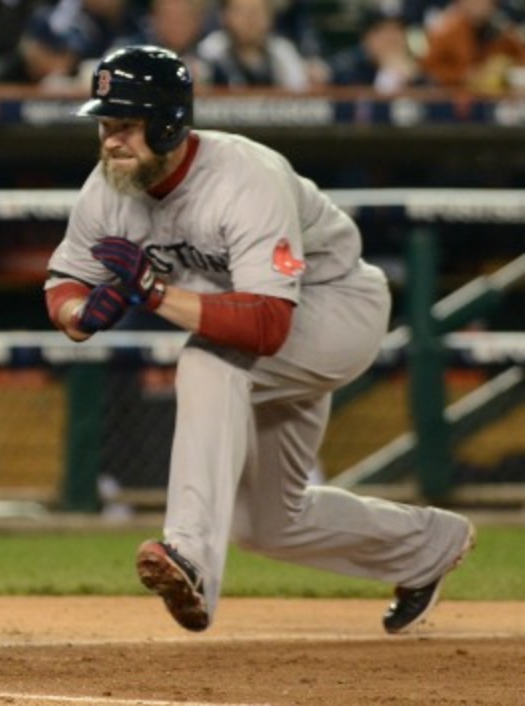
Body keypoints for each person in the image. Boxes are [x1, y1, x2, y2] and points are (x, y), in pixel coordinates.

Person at [43, 45, 475, 634]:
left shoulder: (244, 176)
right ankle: (427, 545)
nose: (111, 139)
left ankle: (189, 555)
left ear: (170, 123)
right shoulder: (110, 187)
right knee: (271, 522)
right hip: (254, 331)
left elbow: (269, 323)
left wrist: (155, 294)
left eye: (125, 125)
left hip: (335, 308)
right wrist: (82, 314)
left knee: (207, 360)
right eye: (105, 124)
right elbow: (65, 279)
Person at [196, 0, 315, 90]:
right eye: (242, 12)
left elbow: (299, 91)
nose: (251, 19)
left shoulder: (283, 51)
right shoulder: (210, 51)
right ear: (224, 16)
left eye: (258, 12)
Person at [420, 0, 525, 91]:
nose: (478, 6)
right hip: (453, 99)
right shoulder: (446, 30)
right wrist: (463, 75)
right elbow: (429, 68)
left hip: (492, 99)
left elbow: (520, 57)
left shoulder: (501, 29)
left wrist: (505, 70)